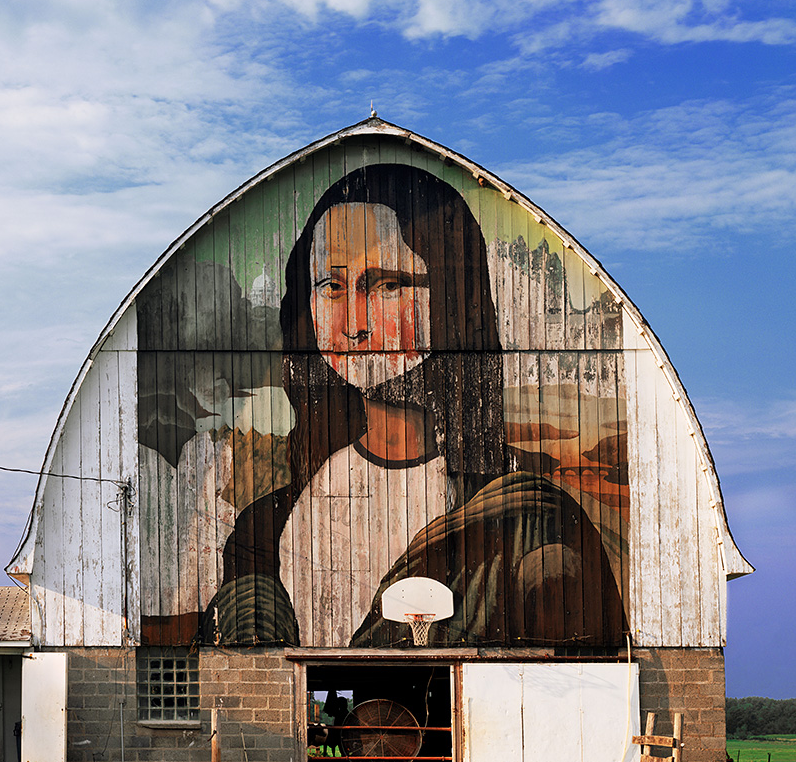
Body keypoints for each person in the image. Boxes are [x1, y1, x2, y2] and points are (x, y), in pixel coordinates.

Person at [206, 163, 627, 648]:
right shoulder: (265, 529)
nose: (355, 324)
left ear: (449, 298)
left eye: (386, 284)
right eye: (332, 287)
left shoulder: (521, 516)